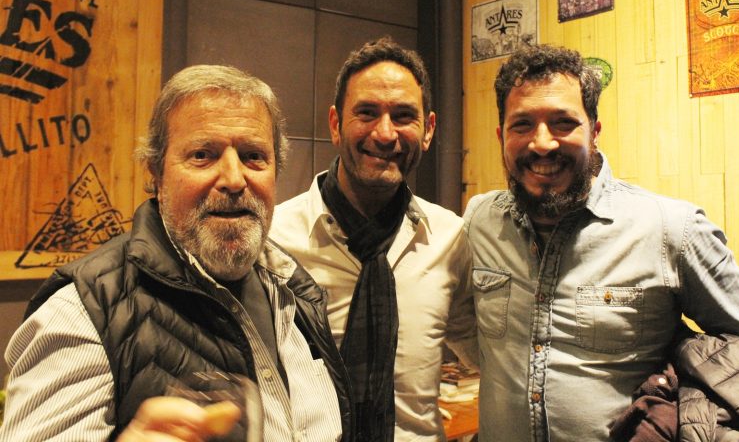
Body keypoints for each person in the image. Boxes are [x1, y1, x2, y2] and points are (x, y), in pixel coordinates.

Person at [0, 65, 351, 442]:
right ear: (156, 173)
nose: (234, 179)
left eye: (253, 156)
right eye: (203, 154)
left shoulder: (294, 287)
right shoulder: (83, 314)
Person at [463, 43, 739, 442]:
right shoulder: (479, 220)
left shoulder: (673, 230)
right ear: (501, 135)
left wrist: (685, 410)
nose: (542, 143)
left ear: (595, 131)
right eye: (522, 125)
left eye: (563, 122)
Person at [269, 37, 477, 441]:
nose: (385, 134)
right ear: (335, 124)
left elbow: (488, 351)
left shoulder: (449, 239)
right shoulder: (274, 240)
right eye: (366, 113)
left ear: (429, 130)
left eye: (403, 116)